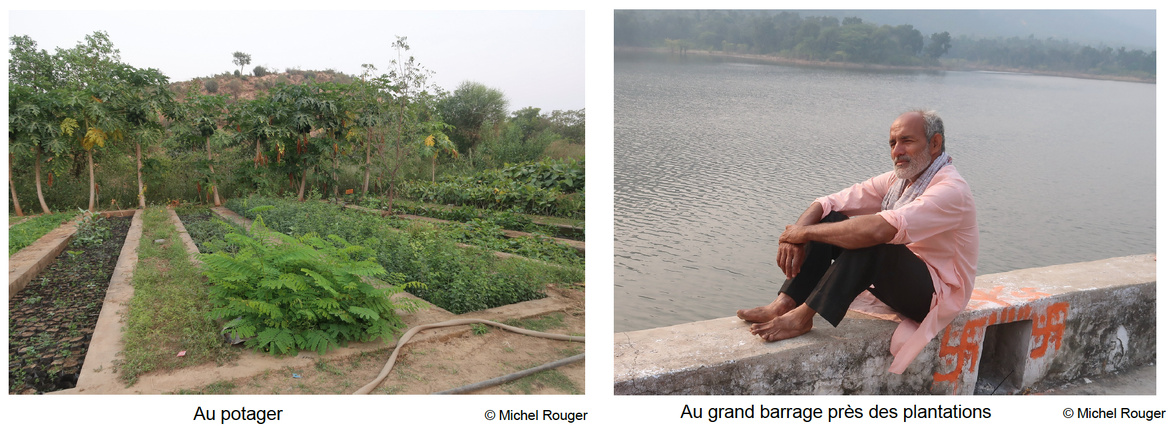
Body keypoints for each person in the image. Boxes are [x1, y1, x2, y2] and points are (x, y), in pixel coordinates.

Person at [736, 110, 978, 374]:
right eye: (892, 143)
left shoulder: (951, 189)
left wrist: (804, 234)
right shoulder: (899, 182)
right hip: (902, 279)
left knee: (875, 240)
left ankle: (803, 317)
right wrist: (796, 232)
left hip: (937, 296)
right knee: (831, 218)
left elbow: (879, 230)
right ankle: (785, 303)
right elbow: (829, 202)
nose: (897, 151)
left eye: (907, 141)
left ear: (934, 143)